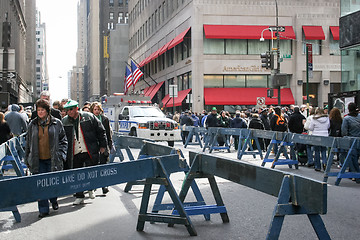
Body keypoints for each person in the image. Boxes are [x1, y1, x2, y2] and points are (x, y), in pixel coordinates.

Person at [24, 99, 68, 218]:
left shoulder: (57, 123)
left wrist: (61, 154)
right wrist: (27, 158)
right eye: (38, 110)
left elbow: (63, 140)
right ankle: (43, 209)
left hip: (53, 159)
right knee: (40, 185)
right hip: (38, 160)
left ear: (47, 111)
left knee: (53, 183)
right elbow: (28, 143)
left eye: (42, 110)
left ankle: (53, 199)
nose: (40, 112)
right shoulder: (32, 124)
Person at [62, 100, 108, 205]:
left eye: (71, 109)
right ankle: (79, 195)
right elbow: (61, 138)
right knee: (76, 174)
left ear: (76, 108)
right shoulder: (64, 121)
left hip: (89, 148)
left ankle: (91, 189)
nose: (69, 112)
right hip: (74, 152)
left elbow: (101, 131)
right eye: (67, 110)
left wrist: (102, 145)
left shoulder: (89, 117)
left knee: (90, 171)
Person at [89, 102, 113, 194]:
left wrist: (108, 146)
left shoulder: (104, 119)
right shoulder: (90, 119)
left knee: (104, 167)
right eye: (95, 109)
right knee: (94, 167)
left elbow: (108, 133)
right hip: (93, 146)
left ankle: (104, 186)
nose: (97, 111)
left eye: (98, 109)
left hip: (103, 146)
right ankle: (94, 186)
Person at [341, 102, 360, 180]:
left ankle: (356, 174)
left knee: (353, 157)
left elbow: (344, 132)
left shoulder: (347, 119)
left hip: (352, 140)